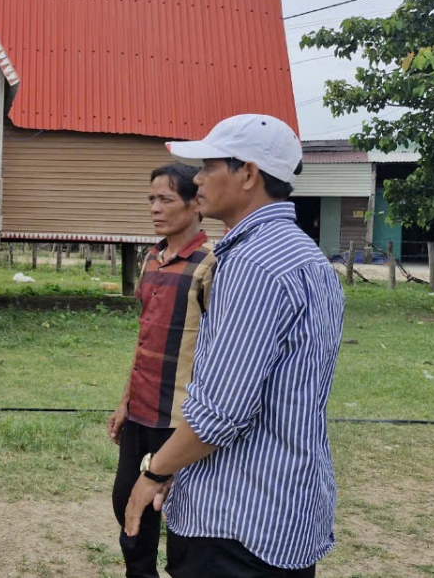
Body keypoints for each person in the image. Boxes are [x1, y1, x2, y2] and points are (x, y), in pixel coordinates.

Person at [124, 114, 345, 578]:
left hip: (238, 521)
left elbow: (220, 412)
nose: (198, 178)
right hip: (287, 507)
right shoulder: (307, 256)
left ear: (248, 174)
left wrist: (155, 472)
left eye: (209, 165)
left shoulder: (252, 264)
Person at [108, 164, 215, 578]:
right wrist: (124, 402)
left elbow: (217, 349)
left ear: (195, 204)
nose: (155, 208)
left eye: (166, 200)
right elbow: (145, 340)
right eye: (151, 199)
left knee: (185, 525)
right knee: (127, 508)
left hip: (182, 419)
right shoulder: (153, 258)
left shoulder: (211, 266)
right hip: (141, 413)